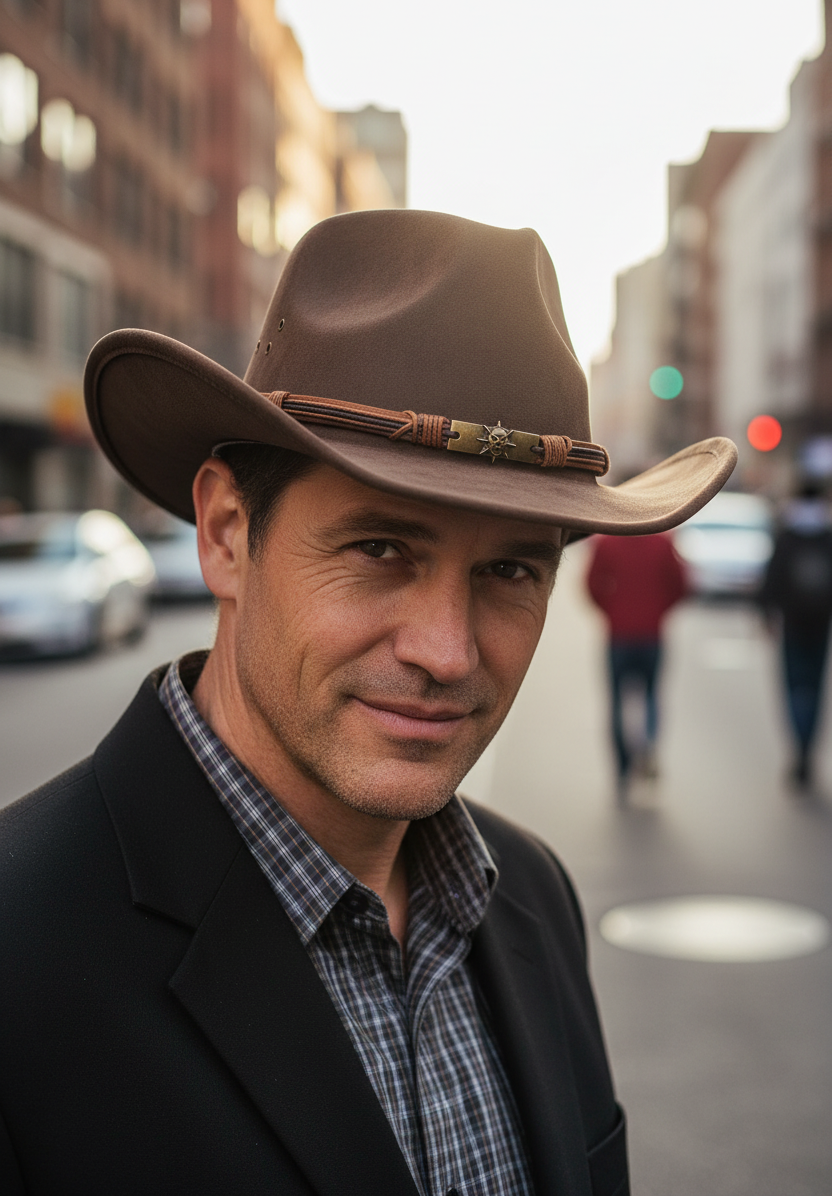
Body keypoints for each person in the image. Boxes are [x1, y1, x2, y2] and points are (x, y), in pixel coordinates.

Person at [0, 211, 735, 1195]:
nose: (447, 651)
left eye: (511, 570)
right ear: (226, 533)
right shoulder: (20, 952)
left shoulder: (531, 896)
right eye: (380, 549)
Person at [586, 531, 688, 788]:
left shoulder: (607, 542)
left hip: (619, 635)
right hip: (651, 635)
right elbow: (681, 584)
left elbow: (591, 584)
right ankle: (648, 746)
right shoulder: (662, 543)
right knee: (651, 695)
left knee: (617, 702)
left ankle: (622, 766)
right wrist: (658, 611)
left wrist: (612, 611)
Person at [760, 481, 832, 787]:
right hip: (821, 624)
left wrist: (766, 614)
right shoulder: (827, 535)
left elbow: (772, 577)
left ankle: (798, 748)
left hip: (791, 624)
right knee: (814, 690)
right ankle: (807, 750)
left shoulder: (787, 534)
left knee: (792, 689)